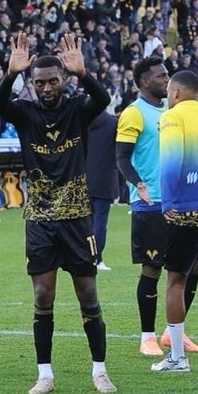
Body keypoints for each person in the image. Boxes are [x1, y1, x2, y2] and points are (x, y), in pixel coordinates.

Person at [0, 33, 116, 394]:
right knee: (43, 295)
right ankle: (44, 374)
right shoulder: (25, 113)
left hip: (78, 216)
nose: (47, 88)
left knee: (88, 295)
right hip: (41, 217)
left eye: (53, 81)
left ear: (63, 80)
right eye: (39, 82)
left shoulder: (78, 109)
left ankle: (100, 371)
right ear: (31, 84)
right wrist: (11, 72)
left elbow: (104, 99)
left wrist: (84, 73)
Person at [150, 70, 198, 373]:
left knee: (175, 281)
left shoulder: (173, 116)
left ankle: (177, 357)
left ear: (176, 92)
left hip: (184, 209)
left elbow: (170, 160)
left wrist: (167, 200)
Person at [115, 55, 168, 356]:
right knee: (153, 268)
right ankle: (147, 336)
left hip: (178, 200)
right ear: (145, 82)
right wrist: (138, 184)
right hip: (150, 202)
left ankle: (175, 332)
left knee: (191, 265)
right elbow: (121, 156)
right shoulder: (134, 113)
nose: (166, 79)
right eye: (161, 76)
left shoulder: (172, 110)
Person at [86, 108, 118, 272]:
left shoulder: (82, 121)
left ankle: (85, 257)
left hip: (83, 177)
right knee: (100, 222)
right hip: (104, 178)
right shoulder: (113, 123)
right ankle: (97, 259)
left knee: (86, 222)